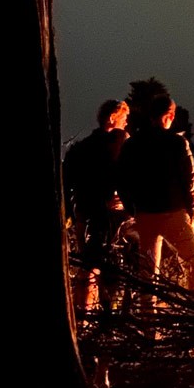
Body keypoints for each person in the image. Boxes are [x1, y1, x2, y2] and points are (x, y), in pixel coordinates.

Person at [118, 95, 194, 309]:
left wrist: (132, 208)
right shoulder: (177, 142)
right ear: (170, 116)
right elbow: (189, 178)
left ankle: (149, 324)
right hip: (174, 212)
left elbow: (122, 178)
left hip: (146, 214)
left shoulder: (132, 144)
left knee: (148, 272)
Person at [63, 99, 130, 313]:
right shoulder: (112, 145)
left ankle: (84, 311)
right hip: (101, 213)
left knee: (88, 263)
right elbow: (112, 177)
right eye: (123, 118)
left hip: (82, 211)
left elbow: (68, 180)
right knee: (97, 262)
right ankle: (98, 311)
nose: (126, 123)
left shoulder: (81, 147)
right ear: (112, 118)